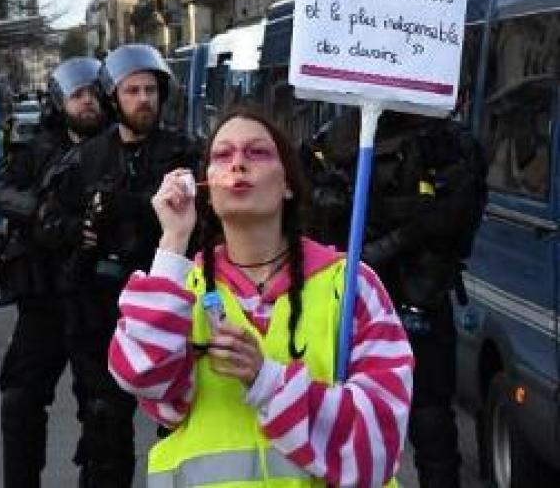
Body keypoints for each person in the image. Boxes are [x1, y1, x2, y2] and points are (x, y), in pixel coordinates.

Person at [108, 104, 416, 487]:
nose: (238, 163)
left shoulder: (352, 285)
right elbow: (142, 377)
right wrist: (173, 239)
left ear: (287, 184)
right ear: (207, 188)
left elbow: (378, 445)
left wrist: (267, 381)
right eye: (223, 155)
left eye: (257, 152)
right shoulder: (180, 289)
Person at [41, 43, 199, 487]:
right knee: (103, 426)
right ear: (114, 97)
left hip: (172, 304)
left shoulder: (185, 152)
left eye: (151, 90)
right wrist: (80, 230)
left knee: (183, 423)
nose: (144, 99)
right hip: (100, 309)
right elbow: (48, 220)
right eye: (132, 91)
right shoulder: (87, 158)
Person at [307, 110, 486, 488]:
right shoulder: (339, 134)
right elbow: (310, 210)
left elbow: (457, 218)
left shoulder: (445, 141)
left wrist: (395, 241)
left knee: (430, 416)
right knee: (339, 405)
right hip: (351, 291)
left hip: (418, 291)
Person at [0, 57, 108, 488]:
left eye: (94, 94)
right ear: (60, 102)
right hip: (44, 298)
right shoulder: (38, 148)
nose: (87, 102)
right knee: (19, 399)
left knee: (102, 409)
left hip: (96, 298)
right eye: (78, 95)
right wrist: (42, 211)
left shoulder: (117, 147)